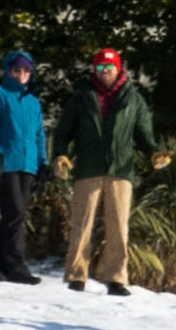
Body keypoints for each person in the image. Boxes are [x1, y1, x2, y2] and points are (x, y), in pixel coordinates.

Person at [53, 46, 162, 293]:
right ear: (94, 69)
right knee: (82, 222)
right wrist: (60, 154)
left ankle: (115, 277)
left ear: (118, 68)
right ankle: (76, 274)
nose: (104, 72)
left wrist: (153, 152)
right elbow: (63, 130)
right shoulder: (82, 96)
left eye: (109, 67)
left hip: (120, 169)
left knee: (118, 225)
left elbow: (144, 134)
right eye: (100, 67)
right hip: (88, 167)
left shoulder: (133, 98)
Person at [0, 53, 52, 285]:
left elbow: (39, 134)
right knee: (15, 211)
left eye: (26, 70)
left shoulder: (33, 102)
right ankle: (17, 267)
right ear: (8, 71)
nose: (22, 74)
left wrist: (43, 163)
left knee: (13, 215)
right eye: (17, 70)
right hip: (6, 163)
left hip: (28, 165)